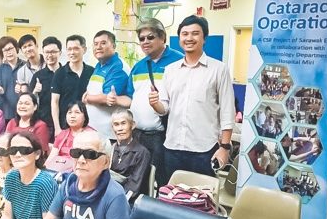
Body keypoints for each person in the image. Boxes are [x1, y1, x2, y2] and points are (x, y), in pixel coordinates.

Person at [149, 15, 235, 179]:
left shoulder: (219, 69)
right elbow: (164, 108)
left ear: (204, 38)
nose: (189, 38)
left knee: (203, 194)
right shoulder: (171, 70)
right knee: (172, 193)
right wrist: (155, 104)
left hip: (204, 150)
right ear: (179, 38)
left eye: (195, 33)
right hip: (173, 147)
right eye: (184, 34)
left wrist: (224, 148)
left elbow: (227, 111)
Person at [114, 18, 183, 189]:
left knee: (164, 180)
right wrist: (115, 100)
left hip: (162, 136)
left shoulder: (179, 62)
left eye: (150, 37)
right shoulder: (138, 66)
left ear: (162, 37)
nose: (145, 41)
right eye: (142, 38)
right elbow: (130, 98)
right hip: (137, 134)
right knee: (139, 180)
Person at [83, 30, 128, 140]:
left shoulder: (118, 66)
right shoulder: (99, 65)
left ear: (113, 46)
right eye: (95, 44)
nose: (98, 47)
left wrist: (87, 98)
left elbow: (107, 99)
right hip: (94, 130)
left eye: (103, 43)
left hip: (109, 135)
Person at [51, 35, 94, 137]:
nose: (72, 52)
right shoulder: (60, 73)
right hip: (65, 126)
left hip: (87, 126)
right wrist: (57, 128)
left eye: (76, 48)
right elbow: (54, 102)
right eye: (69, 49)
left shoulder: (92, 72)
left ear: (84, 49)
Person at [110, 109, 152, 203]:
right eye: (116, 124)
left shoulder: (142, 153)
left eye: (123, 123)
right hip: (109, 195)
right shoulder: (110, 149)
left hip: (128, 200)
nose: (120, 128)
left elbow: (133, 187)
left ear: (132, 125)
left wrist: (113, 200)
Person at [45, 101, 94, 174]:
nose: (72, 116)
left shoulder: (91, 135)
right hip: (59, 171)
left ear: (85, 117)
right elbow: (51, 157)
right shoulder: (62, 134)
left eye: (77, 112)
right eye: (69, 112)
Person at [30, 36, 62, 141]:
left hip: (64, 122)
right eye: (47, 52)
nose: (50, 55)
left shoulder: (66, 73)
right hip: (44, 123)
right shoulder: (38, 76)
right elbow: (30, 100)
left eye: (53, 52)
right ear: (43, 53)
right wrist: (35, 91)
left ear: (60, 53)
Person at [0, 36, 26, 121]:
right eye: (5, 50)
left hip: (24, 110)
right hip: (5, 111)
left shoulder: (25, 65)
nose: (9, 52)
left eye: (11, 48)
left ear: (16, 48)